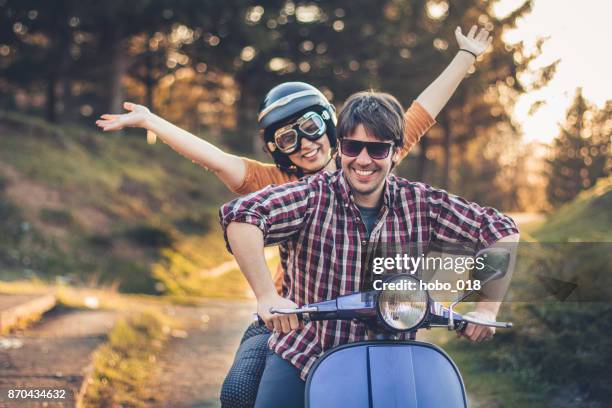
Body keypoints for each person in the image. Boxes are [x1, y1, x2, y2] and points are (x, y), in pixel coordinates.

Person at [97, 25, 495, 408]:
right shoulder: (277, 183)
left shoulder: (366, 154)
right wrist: (151, 120)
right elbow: (215, 160)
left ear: (331, 126)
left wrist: (465, 56)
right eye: (289, 139)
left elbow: (421, 111)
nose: (305, 145)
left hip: (379, 316)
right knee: (238, 393)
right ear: (278, 150)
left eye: (310, 127)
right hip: (294, 314)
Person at [219, 90, 519, 408]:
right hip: (303, 354)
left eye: (376, 149)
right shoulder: (312, 195)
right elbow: (241, 216)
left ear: (395, 152)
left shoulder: (422, 202)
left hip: (394, 362)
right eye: (352, 147)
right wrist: (266, 294)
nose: (363, 160)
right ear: (340, 148)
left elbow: (500, 230)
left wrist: (487, 307)